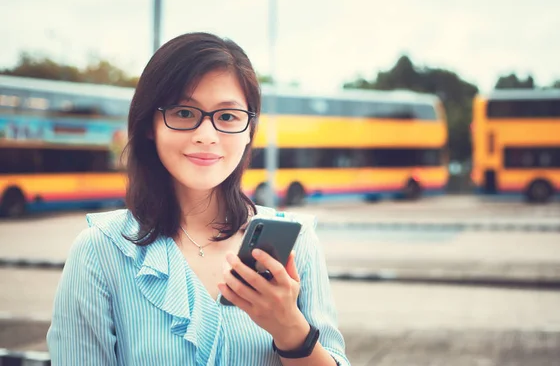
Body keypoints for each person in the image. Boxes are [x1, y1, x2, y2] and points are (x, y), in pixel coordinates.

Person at [47, 32, 350, 366]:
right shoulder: (100, 251)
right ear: (151, 124)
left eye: (228, 116)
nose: (206, 136)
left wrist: (291, 330)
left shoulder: (296, 242)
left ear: (250, 129)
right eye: (184, 113)